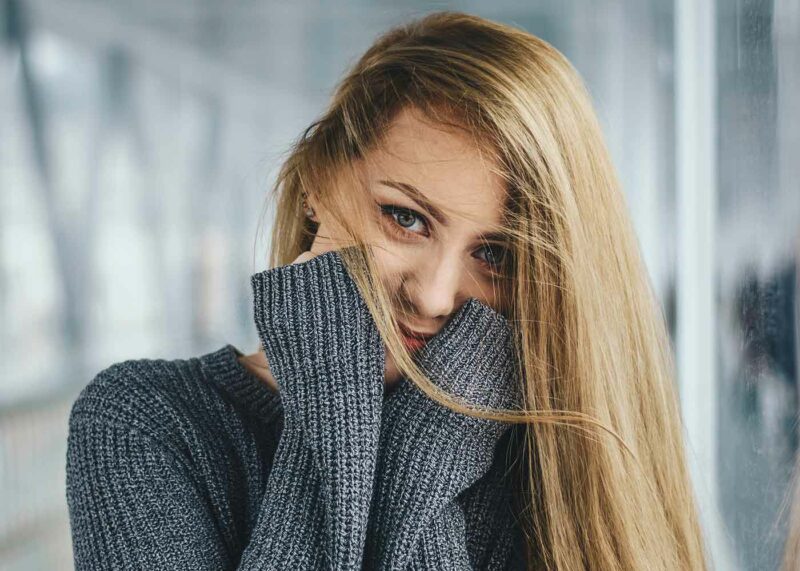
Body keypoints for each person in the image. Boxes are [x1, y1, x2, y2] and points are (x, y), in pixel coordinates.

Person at [65, 10, 708, 570]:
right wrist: (334, 415)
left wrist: (422, 454)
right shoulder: (144, 421)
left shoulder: (561, 452)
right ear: (317, 181)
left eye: (493, 255)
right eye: (405, 217)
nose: (433, 297)